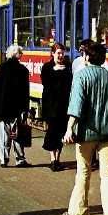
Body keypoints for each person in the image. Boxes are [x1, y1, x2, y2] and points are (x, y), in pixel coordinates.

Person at [62, 42, 108, 215]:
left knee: (83, 172)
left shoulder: (81, 76)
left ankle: (78, 211)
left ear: (87, 57)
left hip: (86, 134)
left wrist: (69, 129)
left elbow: (76, 106)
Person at [0, 45, 31, 167]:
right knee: (17, 133)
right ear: (16, 55)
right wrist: (25, 109)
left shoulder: (0, 69)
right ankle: (20, 159)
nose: (22, 54)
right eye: (20, 53)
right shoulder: (23, 70)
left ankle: (4, 160)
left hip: (1, 109)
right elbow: (25, 92)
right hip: (16, 109)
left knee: (3, 135)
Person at [40, 43, 72, 171]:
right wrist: (55, 70)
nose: (61, 56)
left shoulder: (68, 66)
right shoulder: (47, 67)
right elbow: (45, 82)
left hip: (64, 105)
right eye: (58, 53)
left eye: (62, 53)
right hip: (50, 106)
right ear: (53, 53)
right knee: (52, 131)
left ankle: (57, 158)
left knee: (61, 133)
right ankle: (52, 159)